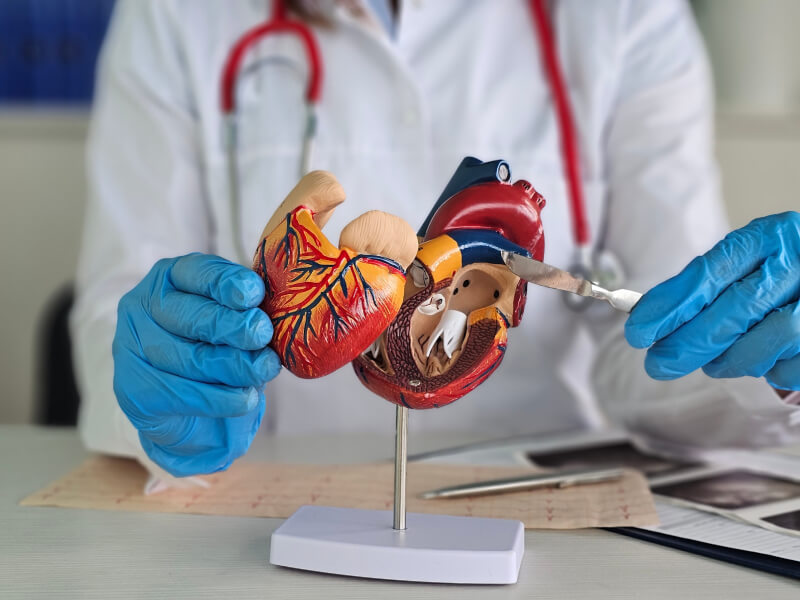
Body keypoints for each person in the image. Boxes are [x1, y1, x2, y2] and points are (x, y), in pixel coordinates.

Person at [71, 0, 800, 482]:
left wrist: (768, 357)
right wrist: (158, 380)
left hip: (542, 509)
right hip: (269, 511)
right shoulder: (176, 14)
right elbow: (121, 303)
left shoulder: (624, 14)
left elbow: (669, 346)